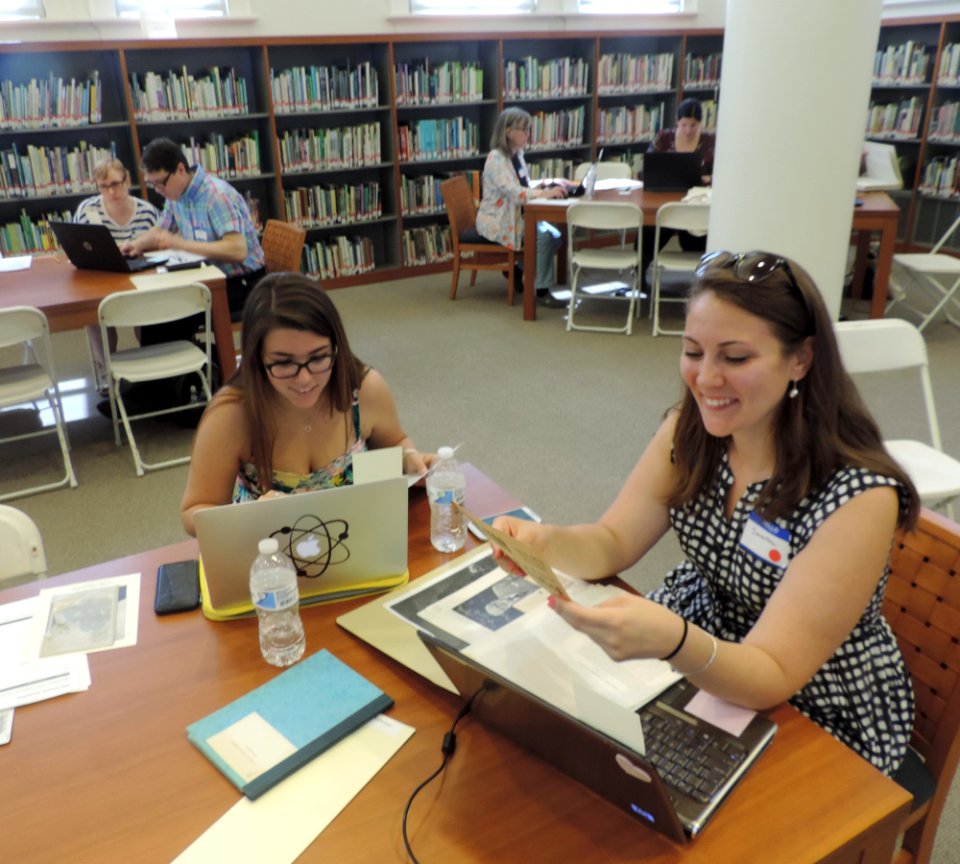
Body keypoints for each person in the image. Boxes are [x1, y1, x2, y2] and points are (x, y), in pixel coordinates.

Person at [491, 250, 919, 777]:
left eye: (735, 358)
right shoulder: (691, 432)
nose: (706, 379)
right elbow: (613, 540)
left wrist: (674, 641)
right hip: (702, 648)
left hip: (812, 705)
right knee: (553, 743)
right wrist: (546, 543)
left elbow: (774, 673)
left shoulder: (858, 497)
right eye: (693, 351)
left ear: (801, 360)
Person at [180, 272, 433, 536]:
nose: (304, 378)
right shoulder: (232, 414)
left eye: (319, 357)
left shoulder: (363, 389)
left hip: (358, 538)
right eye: (283, 362)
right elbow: (193, 511)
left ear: (336, 348)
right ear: (257, 359)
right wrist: (247, 517)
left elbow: (395, 443)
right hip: (268, 558)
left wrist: (410, 457)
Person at [121, 137, 266, 332]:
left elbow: (237, 250)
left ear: (180, 169)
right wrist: (136, 244)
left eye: (160, 183)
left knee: (165, 318)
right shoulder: (177, 194)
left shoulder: (216, 195)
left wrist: (180, 244)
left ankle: (194, 361)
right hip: (209, 276)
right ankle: (188, 361)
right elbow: (160, 229)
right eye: (152, 184)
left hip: (242, 284)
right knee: (155, 310)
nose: (158, 190)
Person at [74, 157, 160, 388]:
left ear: (127, 180)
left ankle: (149, 372)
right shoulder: (87, 210)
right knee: (92, 312)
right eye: (104, 187)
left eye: (115, 184)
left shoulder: (147, 212)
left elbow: (160, 248)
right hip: (101, 281)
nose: (111, 192)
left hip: (139, 282)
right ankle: (109, 373)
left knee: (148, 311)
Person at [475, 107, 568, 308]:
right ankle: (541, 291)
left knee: (556, 236)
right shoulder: (496, 159)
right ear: (508, 132)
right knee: (544, 236)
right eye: (523, 129)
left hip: (515, 215)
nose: (528, 134)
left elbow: (522, 186)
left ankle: (517, 270)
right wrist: (543, 194)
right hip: (498, 220)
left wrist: (542, 187)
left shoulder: (516, 154)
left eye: (528, 129)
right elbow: (514, 193)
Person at [642, 98, 715, 287]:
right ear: (677, 122)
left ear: (701, 124)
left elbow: (722, 173)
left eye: (693, 125)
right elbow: (647, 169)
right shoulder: (664, 138)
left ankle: (700, 284)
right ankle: (640, 280)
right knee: (648, 235)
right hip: (663, 200)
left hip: (695, 203)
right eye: (684, 125)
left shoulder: (710, 142)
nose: (688, 131)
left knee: (696, 244)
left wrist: (709, 178)